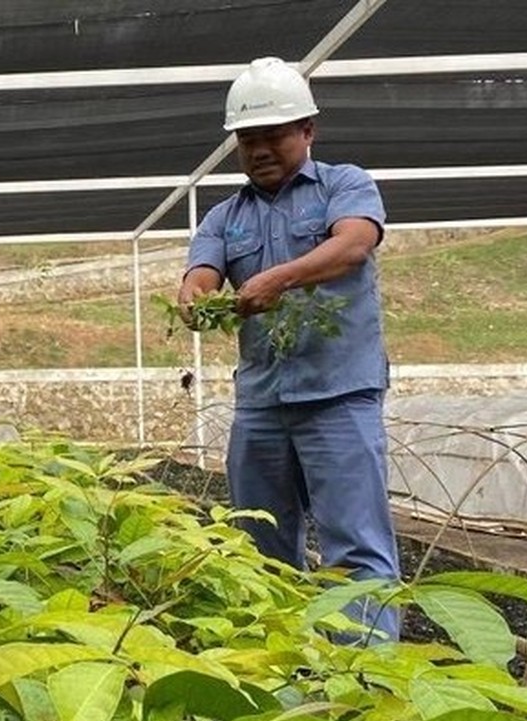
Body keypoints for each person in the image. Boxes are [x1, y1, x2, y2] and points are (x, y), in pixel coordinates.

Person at [178, 56, 401, 642]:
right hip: (262, 402)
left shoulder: (344, 184)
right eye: (245, 139)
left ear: (307, 130)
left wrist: (281, 278)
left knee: (354, 545)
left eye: (273, 135)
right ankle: (282, 668)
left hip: (339, 397)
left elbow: (353, 245)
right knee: (260, 545)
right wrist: (196, 300)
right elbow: (200, 275)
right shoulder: (225, 217)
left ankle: (366, 679)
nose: (258, 149)